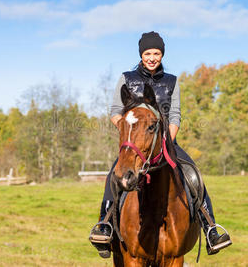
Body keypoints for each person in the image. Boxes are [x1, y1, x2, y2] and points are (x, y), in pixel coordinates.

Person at [90, 31, 231, 258]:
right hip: (134, 142)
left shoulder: (171, 81)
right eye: (148, 53)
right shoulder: (126, 78)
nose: (152, 57)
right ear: (141, 55)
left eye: (156, 53)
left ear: (162, 54)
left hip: (165, 141)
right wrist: (130, 133)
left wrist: (168, 140)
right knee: (113, 174)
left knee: (193, 173)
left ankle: (210, 227)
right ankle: (104, 225)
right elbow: (116, 112)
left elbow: (174, 115)